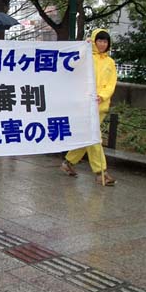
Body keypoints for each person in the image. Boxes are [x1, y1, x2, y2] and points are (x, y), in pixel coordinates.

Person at [61, 28, 118, 186]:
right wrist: (82, 48)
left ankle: (68, 162)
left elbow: (111, 83)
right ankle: (101, 173)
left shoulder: (110, 62)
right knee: (94, 137)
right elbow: (72, 66)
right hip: (85, 105)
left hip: (101, 106)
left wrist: (102, 96)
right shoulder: (86, 57)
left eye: (105, 41)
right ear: (94, 41)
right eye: (99, 40)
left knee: (89, 136)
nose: (102, 44)